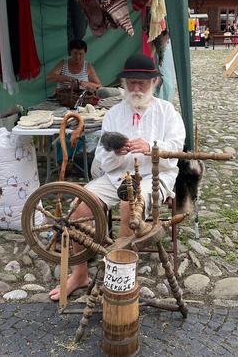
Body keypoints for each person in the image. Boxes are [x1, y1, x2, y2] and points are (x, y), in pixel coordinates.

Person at [49, 54, 186, 301]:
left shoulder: (167, 112)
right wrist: (117, 152)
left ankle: (120, 275)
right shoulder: (114, 114)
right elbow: (103, 159)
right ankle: (80, 274)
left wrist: (151, 147)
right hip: (117, 175)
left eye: (141, 83)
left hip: (154, 177)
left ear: (154, 82)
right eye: (131, 82)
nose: (135, 88)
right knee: (81, 207)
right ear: (124, 83)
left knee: (128, 205)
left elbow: (176, 150)